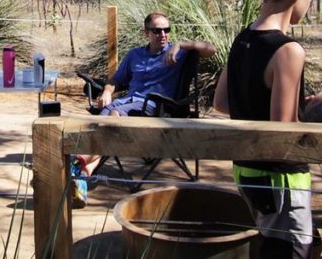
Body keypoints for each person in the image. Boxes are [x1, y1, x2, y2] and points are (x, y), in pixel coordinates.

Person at [212, 0, 322, 259]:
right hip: (281, 181)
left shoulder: (242, 38)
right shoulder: (288, 51)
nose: (308, 7)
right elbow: (282, 135)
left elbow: (221, 102)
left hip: (246, 174)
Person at [72, 11, 216, 207]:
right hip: (126, 103)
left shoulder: (177, 52)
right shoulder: (134, 55)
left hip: (157, 107)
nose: (163, 34)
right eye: (157, 31)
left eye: (167, 30)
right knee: (106, 127)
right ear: (146, 33)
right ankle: (81, 177)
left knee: (109, 120)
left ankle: (75, 162)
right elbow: (115, 80)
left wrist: (182, 44)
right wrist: (106, 92)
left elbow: (211, 49)